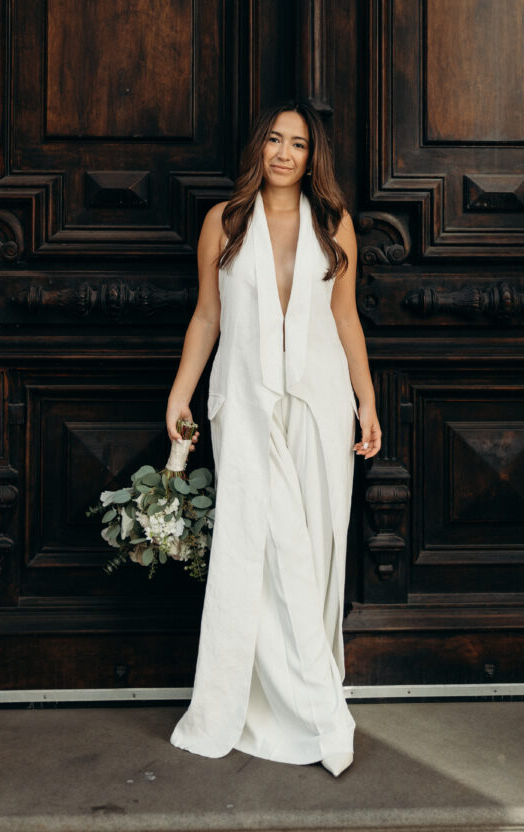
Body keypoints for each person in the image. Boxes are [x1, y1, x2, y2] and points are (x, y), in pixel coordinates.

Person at [166, 101, 381, 776]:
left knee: (313, 548)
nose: (285, 153)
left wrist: (365, 398)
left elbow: (344, 317)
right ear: (257, 148)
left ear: (313, 156)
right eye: (274, 140)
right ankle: (270, 702)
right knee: (251, 547)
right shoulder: (223, 223)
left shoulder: (333, 223)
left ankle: (307, 694)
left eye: (298, 144)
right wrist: (180, 392)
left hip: (319, 406)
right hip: (245, 406)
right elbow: (207, 315)